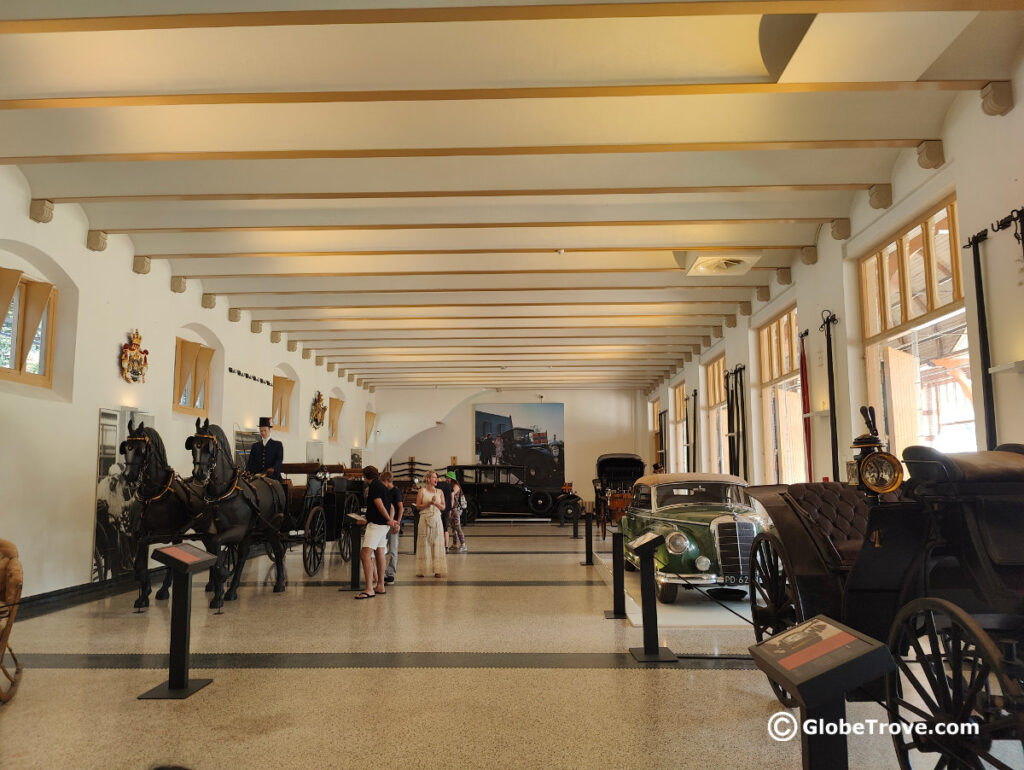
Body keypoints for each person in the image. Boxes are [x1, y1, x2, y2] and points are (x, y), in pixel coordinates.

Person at [355, 466, 398, 599]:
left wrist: (388, 520)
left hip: (376, 526)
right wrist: (390, 520)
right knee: (380, 553)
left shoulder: (374, 486)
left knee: (365, 554)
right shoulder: (383, 486)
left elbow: (379, 505)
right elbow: (390, 507)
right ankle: (380, 585)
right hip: (383, 526)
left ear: (364, 476)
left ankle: (369, 588)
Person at [415, 471, 447, 578]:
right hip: (424, 519)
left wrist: (435, 503)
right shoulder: (422, 491)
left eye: (437, 478)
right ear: (428, 479)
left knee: (437, 542)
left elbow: (443, 507)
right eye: (434, 477)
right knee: (424, 542)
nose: (436, 480)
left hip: (437, 519)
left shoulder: (440, 491)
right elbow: (418, 506)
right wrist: (429, 503)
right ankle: (422, 569)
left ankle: (437, 569)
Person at [382, 471, 403, 585]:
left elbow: (400, 508)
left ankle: (391, 573)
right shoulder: (384, 491)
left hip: (394, 522)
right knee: (383, 549)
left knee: (393, 549)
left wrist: (398, 523)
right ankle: (383, 572)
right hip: (385, 523)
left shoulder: (396, 491)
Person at [448, 472, 467, 553]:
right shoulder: (451, 486)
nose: (446, 479)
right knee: (453, 528)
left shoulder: (456, 486)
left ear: (452, 479)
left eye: (448, 478)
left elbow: (450, 495)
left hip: (456, 509)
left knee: (457, 527)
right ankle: (455, 544)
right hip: (452, 509)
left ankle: (463, 544)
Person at [435, 470, 454, 549]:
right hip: (447, 509)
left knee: (437, 528)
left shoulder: (435, 486)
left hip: (438, 509)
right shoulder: (448, 485)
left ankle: (438, 546)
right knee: (445, 529)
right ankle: (446, 547)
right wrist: (451, 508)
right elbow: (452, 497)